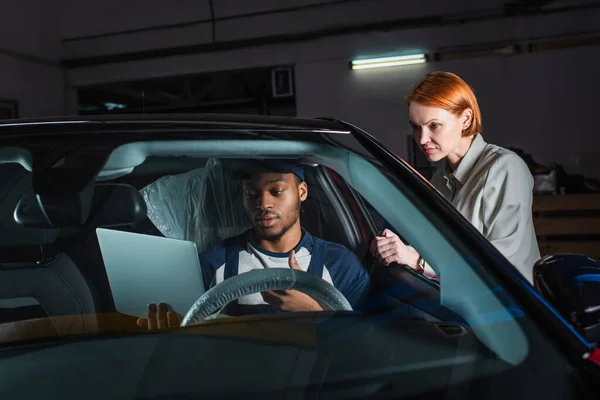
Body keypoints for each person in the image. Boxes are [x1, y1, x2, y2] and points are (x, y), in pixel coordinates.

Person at [137, 161, 370, 329]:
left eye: (276, 191)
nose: (263, 203)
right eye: (251, 194)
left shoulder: (339, 263)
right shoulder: (214, 262)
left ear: (301, 192)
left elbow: (367, 341)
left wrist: (315, 313)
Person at [371, 71, 540, 283]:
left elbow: (500, 264)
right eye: (416, 127)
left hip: (510, 311)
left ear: (466, 119)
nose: (422, 139)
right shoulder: (439, 181)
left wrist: (418, 262)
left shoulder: (505, 168)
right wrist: (397, 249)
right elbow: (438, 249)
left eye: (434, 126)